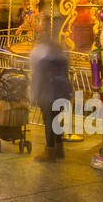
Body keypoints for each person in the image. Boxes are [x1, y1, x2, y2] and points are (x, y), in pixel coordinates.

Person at [29, 19, 73, 161]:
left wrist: (33, 95)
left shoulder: (40, 57)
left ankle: (50, 152)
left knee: (49, 121)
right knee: (58, 120)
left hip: (48, 93)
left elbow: (37, 77)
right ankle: (60, 150)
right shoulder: (61, 56)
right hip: (62, 91)